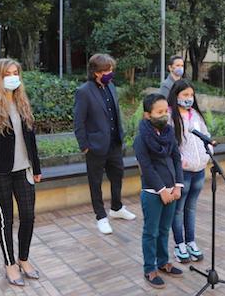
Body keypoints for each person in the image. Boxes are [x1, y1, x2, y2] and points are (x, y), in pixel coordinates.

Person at [0, 59, 42, 287]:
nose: (13, 77)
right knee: (6, 220)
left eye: (15, 73)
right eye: (7, 74)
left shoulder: (22, 102)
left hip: (24, 170)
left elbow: (31, 139)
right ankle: (10, 264)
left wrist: (37, 168)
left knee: (29, 216)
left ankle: (24, 259)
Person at [73, 54, 135, 235]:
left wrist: (121, 137)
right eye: (106, 71)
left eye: (111, 70)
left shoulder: (112, 87)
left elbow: (116, 114)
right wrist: (84, 145)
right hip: (95, 146)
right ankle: (101, 216)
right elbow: (79, 122)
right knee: (96, 182)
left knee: (118, 176)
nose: (110, 74)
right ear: (96, 72)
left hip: (114, 144)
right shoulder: (84, 91)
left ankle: (116, 208)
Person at [134, 93, 184, 289]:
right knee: (151, 232)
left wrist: (178, 185)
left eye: (166, 111)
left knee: (164, 229)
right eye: (160, 112)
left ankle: (163, 262)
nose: (165, 115)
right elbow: (146, 167)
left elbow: (177, 159)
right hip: (153, 192)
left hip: (172, 190)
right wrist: (162, 190)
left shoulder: (169, 133)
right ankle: (150, 268)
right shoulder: (141, 139)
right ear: (148, 115)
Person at [168, 80, 210, 263]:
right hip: (182, 173)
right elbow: (171, 146)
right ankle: (179, 244)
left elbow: (206, 136)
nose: (188, 99)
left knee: (191, 208)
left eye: (191, 95)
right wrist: (181, 162)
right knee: (177, 210)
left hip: (199, 170)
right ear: (176, 95)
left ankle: (191, 241)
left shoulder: (196, 116)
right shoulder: (171, 117)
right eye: (185, 95)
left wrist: (208, 154)